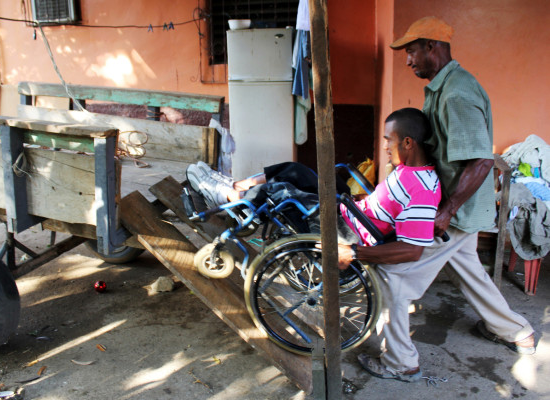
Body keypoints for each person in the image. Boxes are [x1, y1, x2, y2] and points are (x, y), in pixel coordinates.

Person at [355, 16, 535, 383]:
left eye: (411, 51)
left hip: (455, 210)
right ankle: (518, 332)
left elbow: (482, 160)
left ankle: (401, 362)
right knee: (470, 273)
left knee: (393, 278)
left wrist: (446, 210)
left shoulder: (456, 94)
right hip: (457, 207)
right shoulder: (444, 87)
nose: (408, 60)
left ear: (431, 47)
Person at [186, 108, 441, 255]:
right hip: (353, 212)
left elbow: (412, 250)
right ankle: (233, 187)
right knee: (298, 171)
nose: (385, 146)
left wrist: (354, 253)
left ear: (408, 143)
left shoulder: (422, 189)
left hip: (350, 230)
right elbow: (388, 207)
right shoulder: (407, 169)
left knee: (284, 192)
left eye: (389, 140)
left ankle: (227, 196)